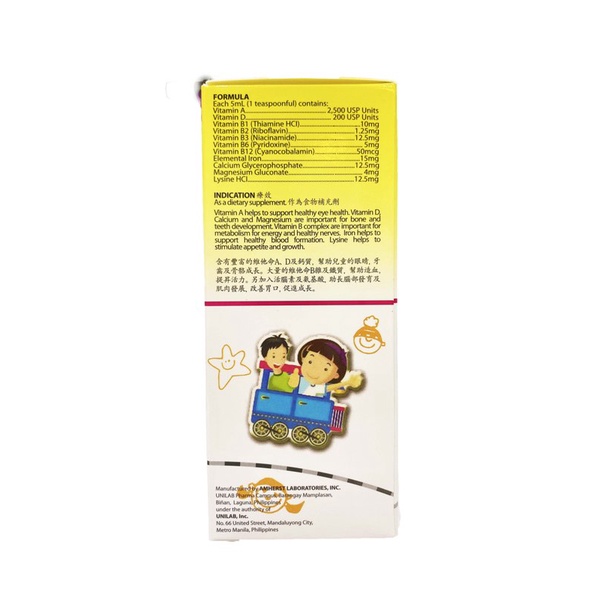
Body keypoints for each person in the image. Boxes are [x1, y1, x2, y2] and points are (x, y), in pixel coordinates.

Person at [294, 338, 362, 398]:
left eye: (325, 369)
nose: (314, 370)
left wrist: (347, 382)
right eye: (310, 362)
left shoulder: (318, 387)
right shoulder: (298, 379)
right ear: (303, 358)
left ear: (336, 375)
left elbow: (327, 388)